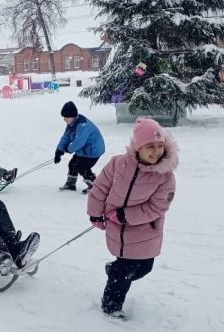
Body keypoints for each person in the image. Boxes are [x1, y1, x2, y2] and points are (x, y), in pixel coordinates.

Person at [86, 117, 178, 321]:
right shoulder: (118, 164)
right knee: (124, 270)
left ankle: (114, 271)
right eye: (150, 146)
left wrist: (124, 215)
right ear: (137, 147)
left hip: (145, 230)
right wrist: (95, 212)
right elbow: (100, 188)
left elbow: (158, 206)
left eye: (160, 146)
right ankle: (111, 305)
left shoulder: (165, 176)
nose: (156, 152)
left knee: (145, 267)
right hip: (117, 230)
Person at [54, 101, 105, 194]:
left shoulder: (83, 125)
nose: (64, 119)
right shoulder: (71, 125)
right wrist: (59, 150)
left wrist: (68, 149)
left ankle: (95, 186)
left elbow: (79, 142)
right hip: (83, 151)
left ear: (72, 116)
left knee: (82, 167)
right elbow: (66, 137)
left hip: (93, 151)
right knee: (72, 164)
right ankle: (70, 184)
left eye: (65, 117)